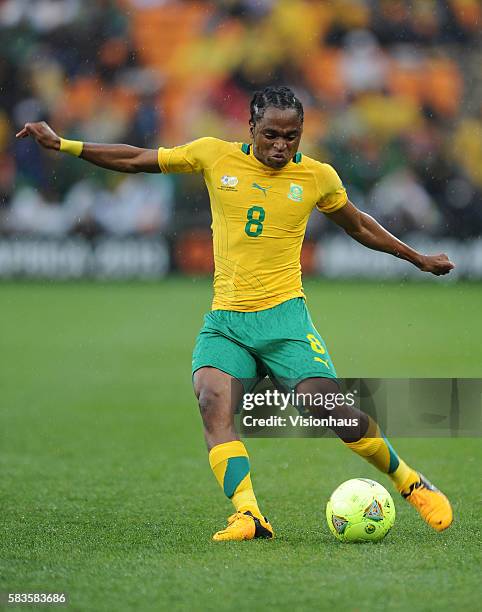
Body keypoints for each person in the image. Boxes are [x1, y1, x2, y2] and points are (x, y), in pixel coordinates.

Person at [17, 86, 454, 542]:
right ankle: (249, 515)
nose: (281, 146)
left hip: (286, 321)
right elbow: (135, 159)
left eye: (292, 136)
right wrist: (64, 144)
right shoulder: (214, 156)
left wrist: (417, 257)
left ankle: (410, 481)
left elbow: (359, 224)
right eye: (271, 135)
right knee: (211, 399)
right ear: (250, 129)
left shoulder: (318, 177)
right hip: (227, 323)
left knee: (328, 409)